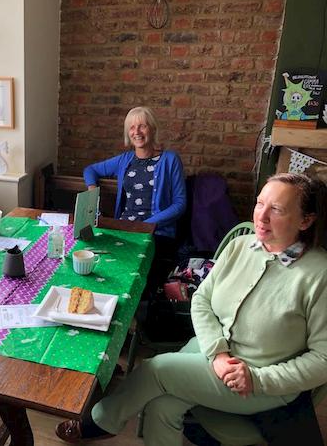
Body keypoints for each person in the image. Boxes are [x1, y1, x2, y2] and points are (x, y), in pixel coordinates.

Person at [56, 173, 327, 445]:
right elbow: (201, 300)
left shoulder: (318, 274)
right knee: (162, 407)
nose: (262, 216)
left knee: (154, 369)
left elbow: (323, 360)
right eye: (259, 204)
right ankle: (105, 421)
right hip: (210, 351)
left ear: (306, 220)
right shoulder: (240, 246)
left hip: (257, 379)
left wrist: (258, 379)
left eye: (276, 209)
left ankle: (99, 422)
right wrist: (217, 352)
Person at [83, 106, 186, 290]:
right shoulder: (125, 160)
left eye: (142, 126)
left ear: (153, 129)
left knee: (132, 273)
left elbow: (180, 204)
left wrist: (148, 224)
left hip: (157, 233)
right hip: (125, 228)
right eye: (132, 127)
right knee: (98, 261)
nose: (136, 132)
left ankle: (136, 313)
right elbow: (90, 170)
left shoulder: (170, 160)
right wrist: (93, 191)